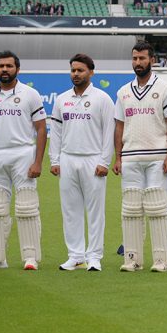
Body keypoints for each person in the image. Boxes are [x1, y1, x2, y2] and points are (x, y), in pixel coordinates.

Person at [0, 51, 47, 270]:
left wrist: (38, 162)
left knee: (27, 207)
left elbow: (41, 129)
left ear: (18, 69)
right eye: (0, 66)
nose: (4, 70)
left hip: (23, 154)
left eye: (8, 66)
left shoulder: (30, 94)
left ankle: (31, 257)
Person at [113, 41, 167, 272]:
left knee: (158, 208)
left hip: (157, 157)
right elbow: (119, 126)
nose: (138, 63)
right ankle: (132, 259)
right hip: (130, 157)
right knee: (131, 209)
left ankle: (162, 260)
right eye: (135, 58)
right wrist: (118, 158)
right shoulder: (123, 92)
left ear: (152, 60)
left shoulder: (166, 89)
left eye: (142, 58)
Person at [49, 54, 115, 272]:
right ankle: (75, 256)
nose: (75, 74)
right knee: (70, 210)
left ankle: (94, 256)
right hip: (68, 159)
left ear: (91, 72)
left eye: (80, 70)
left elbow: (109, 133)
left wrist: (105, 161)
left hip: (92, 159)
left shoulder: (102, 98)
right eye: (73, 70)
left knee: (95, 211)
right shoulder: (62, 99)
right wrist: (55, 159)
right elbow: (56, 132)